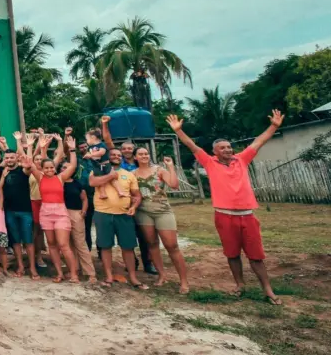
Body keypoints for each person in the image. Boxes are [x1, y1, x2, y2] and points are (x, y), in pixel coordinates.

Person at [169, 112, 284, 304]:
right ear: (215, 152)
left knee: (256, 256)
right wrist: (179, 131)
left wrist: (274, 126)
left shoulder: (242, 159)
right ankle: (240, 285)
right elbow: (192, 145)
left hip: (247, 216)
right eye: (222, 148)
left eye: (229, 147)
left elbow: (258, 142)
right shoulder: (210, 162)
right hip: (224, 216)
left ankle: (268, 290)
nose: (228, 150)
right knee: (232, 254)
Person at [24, 132, 79, 283]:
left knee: (64, 244)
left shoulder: (61, 177)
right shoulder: (39, 177)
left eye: (51, 168)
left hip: (60, 212)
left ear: (55, 168)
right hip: (45, 212)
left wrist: (72, 150)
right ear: (42, 168)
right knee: (52, 245)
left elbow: (73, 165)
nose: (49, 170)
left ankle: (73, 274)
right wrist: (30, 146)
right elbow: (29, 161)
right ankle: (59, 273)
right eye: (46, 168)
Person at [132, 149, 190, 294]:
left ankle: (184, 281)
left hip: (163, 210)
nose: (144, 156)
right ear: (135, 157)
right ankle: (162, 275)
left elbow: (174, 185)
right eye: (141, 154)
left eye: (146, 153)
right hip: (144, 212)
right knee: (152, 244)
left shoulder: (159, 170)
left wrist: (170, 166)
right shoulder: (132, 174)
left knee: (172, 245)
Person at [88, 147, 147, 289]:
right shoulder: (97, 170)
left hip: (124, 215)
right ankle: (108, 276)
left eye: (119, 155)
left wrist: (134, 206)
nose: (116, 157)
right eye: (113, 155)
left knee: (128, 247)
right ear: (108, 157)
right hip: (103, 213)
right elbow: (92, 183)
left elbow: (137, 195)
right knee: (105, 246)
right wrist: (110, 176)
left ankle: (133, 277)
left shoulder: (129, 175)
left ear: (122, 158)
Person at [0, 149, 39, 279]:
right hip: (9, 211)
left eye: (11, 157)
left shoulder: (23, 170)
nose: (9, 160)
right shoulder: (3, 172)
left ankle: (32, 267)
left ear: (16, 158)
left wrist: (28, 164)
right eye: (7, 158)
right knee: (15, 240)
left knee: (28, 240)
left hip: (25, 211)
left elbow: (28, 169)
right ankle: (20, 265)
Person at [63, 156, 98, 283]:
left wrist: (83, 211)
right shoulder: (58, 181)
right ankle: (74, 269)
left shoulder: (77, 183)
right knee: (69, 244)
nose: (65, 169)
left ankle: (90, 273)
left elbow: (84, 198)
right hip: (61, 213)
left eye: (67, 167)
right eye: (63, 167)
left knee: (80, 243)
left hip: (75, 213)